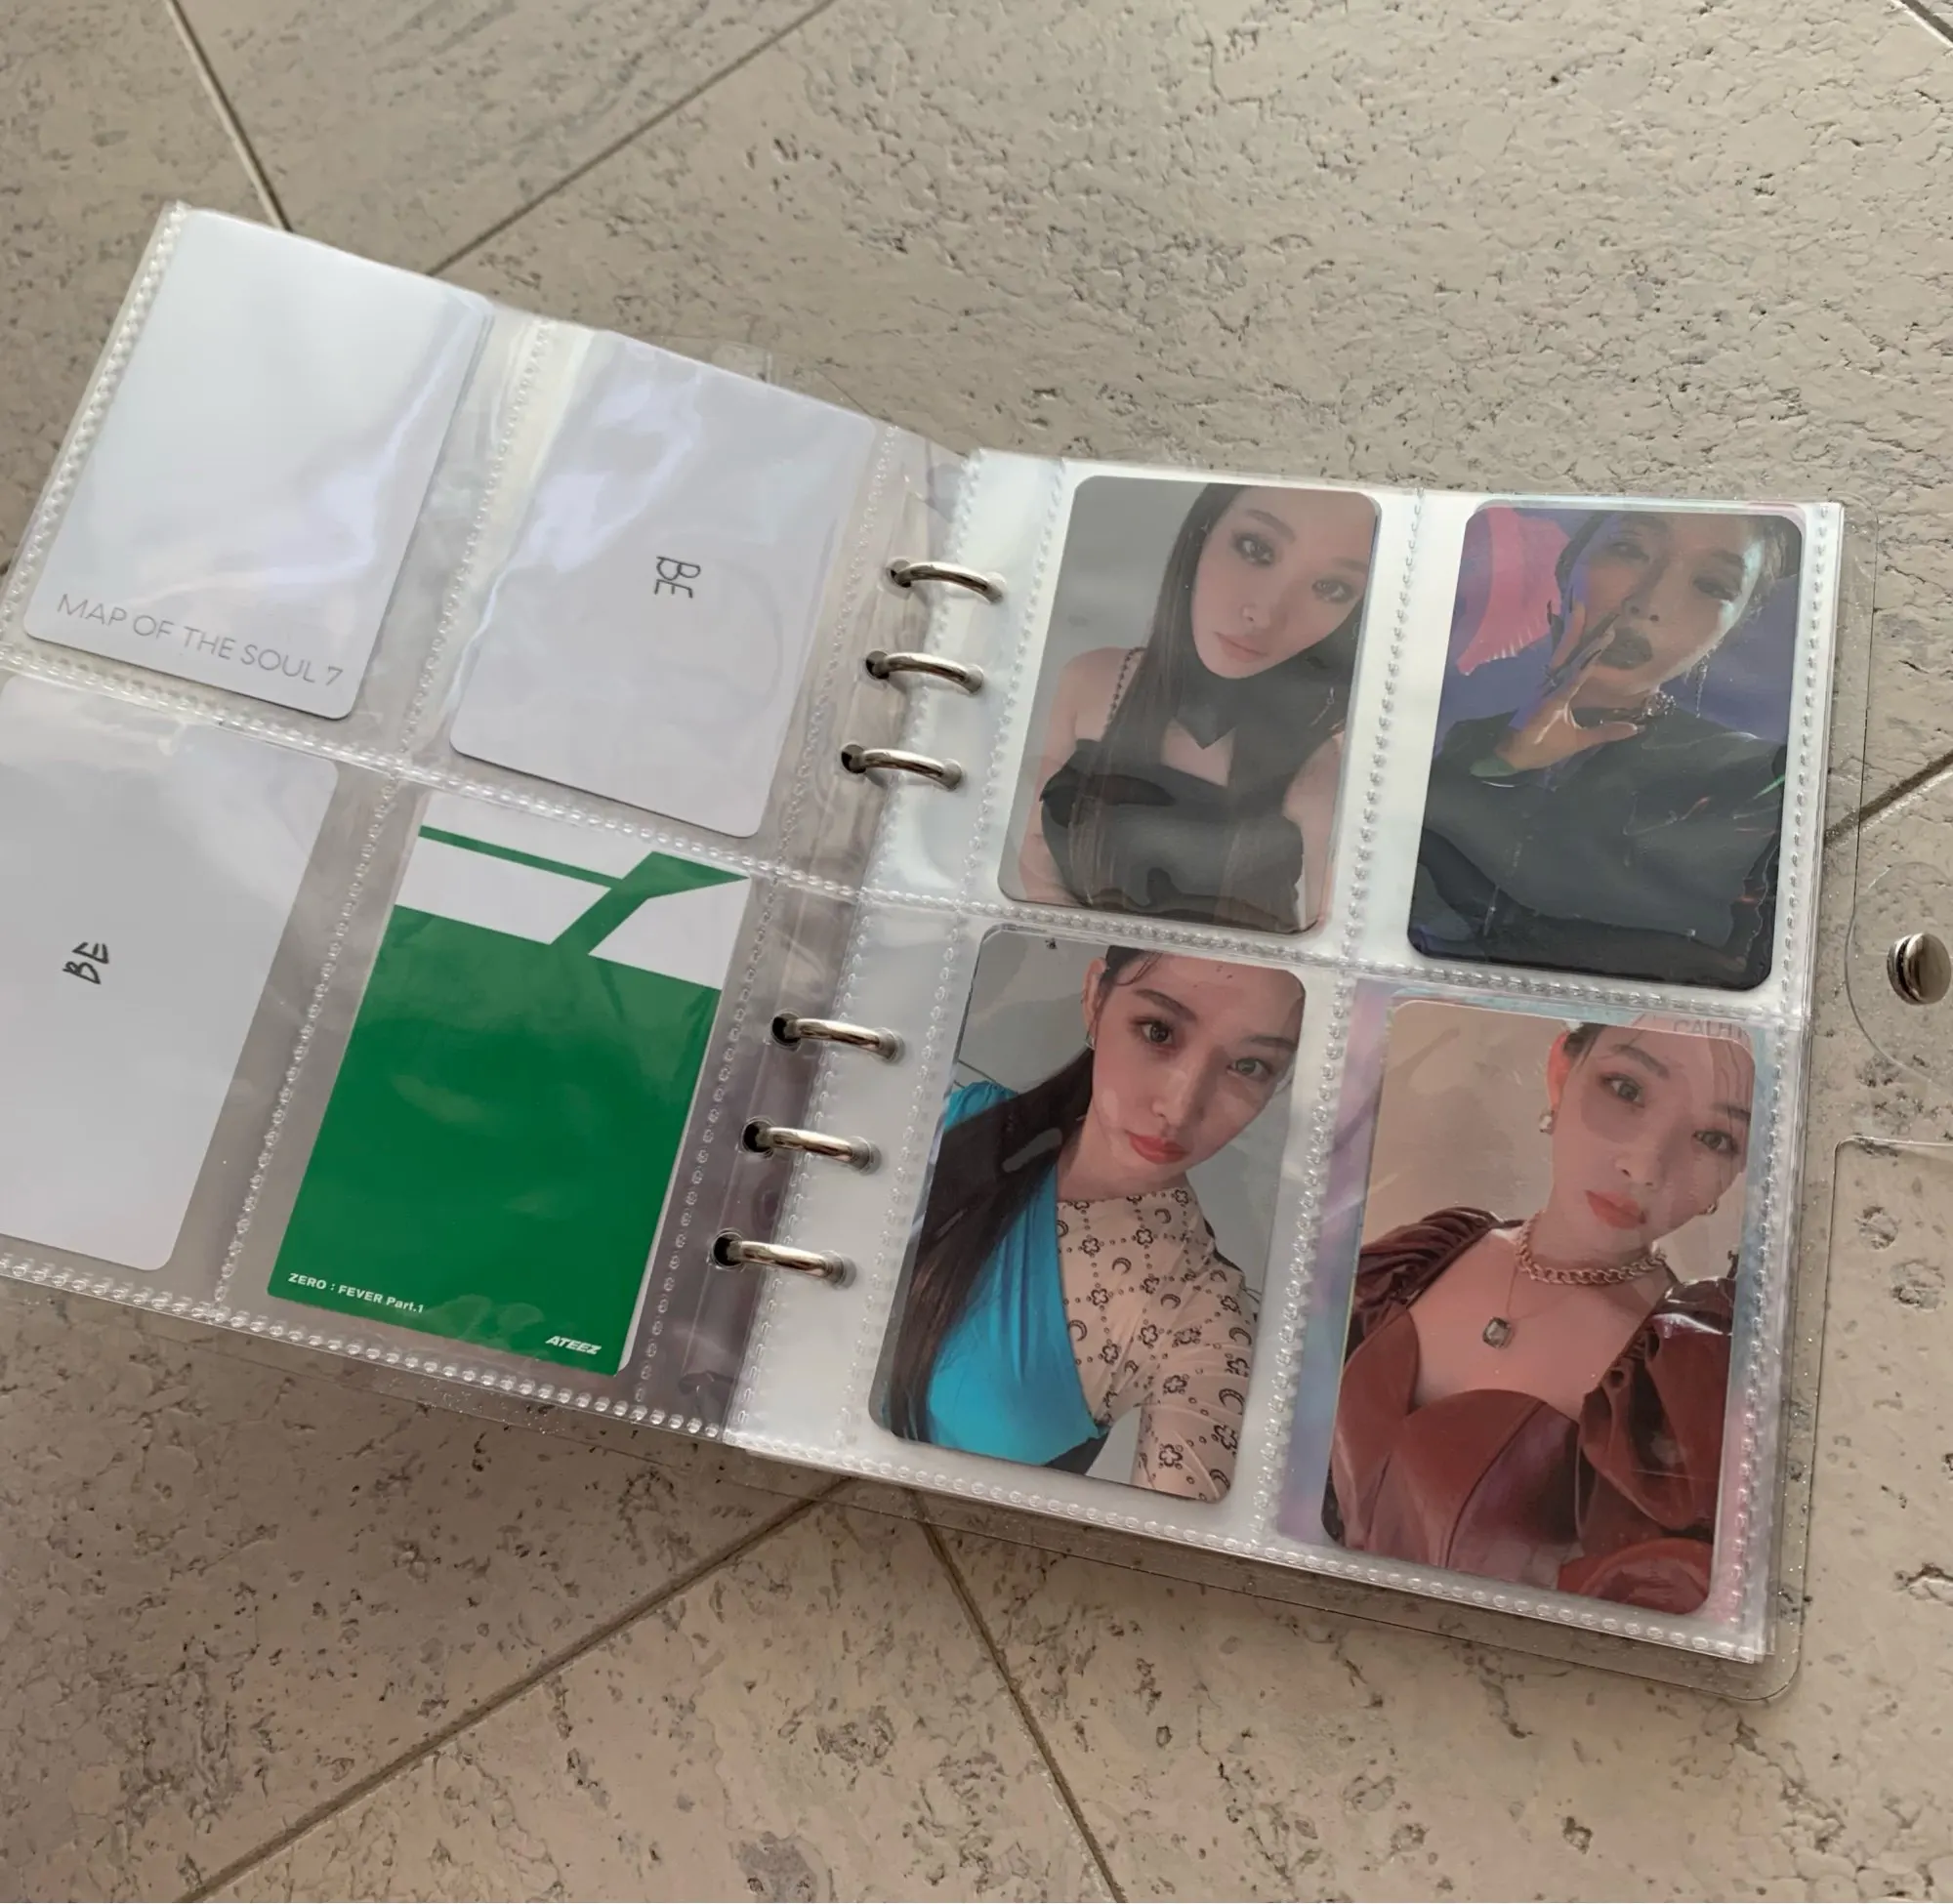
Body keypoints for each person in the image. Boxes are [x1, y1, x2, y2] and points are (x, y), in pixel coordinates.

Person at [1326, 1017, 1754, 1613]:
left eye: (1713, 1138)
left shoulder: (1676, 1388)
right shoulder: (1421, 1258)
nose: (1645, 1166)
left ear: (1736, 1172)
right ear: (1561, 1073)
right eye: (1627, 1089)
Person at [886, 948, 1304, 1501]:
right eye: (1158, 1031)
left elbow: (1170, 1533)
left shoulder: (1200, 1318)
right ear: (1094, 998)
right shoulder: (966, 1122)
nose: (1180, 1108)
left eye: (1249, 1066)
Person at [1412, 509, 1804, 988]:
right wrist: (1505, 765)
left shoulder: (1750, 778)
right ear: (1567, 567)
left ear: (1733, 627)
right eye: (1629, 550)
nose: (1649, 602)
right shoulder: (1468, 739)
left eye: (1712, 585)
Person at [1016, 483, 1378, 933]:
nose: (1265, 614)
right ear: (1201, 537)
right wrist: (1079, 949)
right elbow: (1036, 848)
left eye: (1332, 588)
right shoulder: (1088, 679)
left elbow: (1328, 944)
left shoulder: (1317, 767)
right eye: (1256, 548)